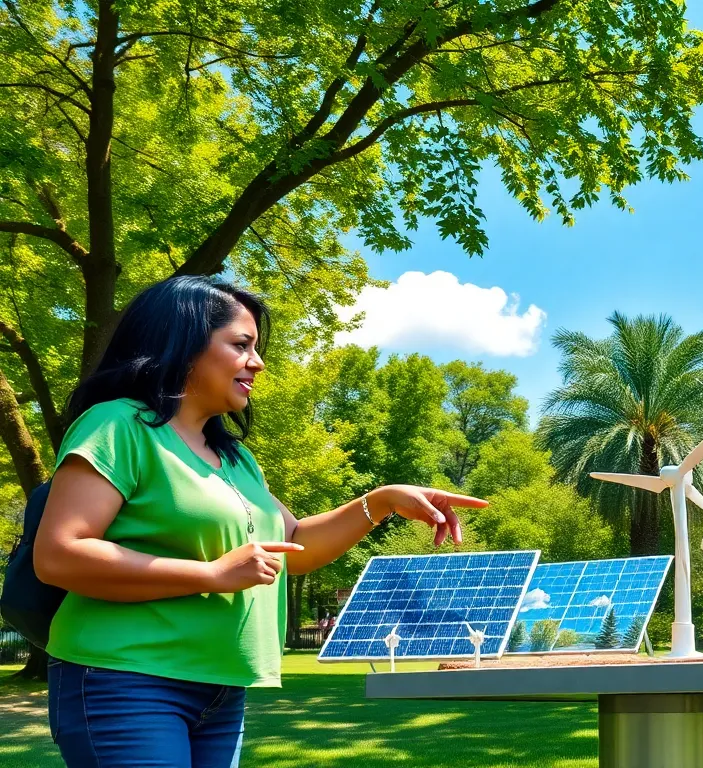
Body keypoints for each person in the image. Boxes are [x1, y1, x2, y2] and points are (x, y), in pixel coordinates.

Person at [33, 276, 488, 767]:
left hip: (222, 690)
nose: (258, 361)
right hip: (125, 678)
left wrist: (381, 501)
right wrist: (210, 575)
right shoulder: (119, 426)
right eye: (241, 345)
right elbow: (60, 553)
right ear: (183, 344)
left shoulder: (235, 459)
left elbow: (294, 545)